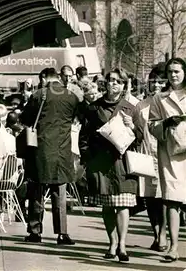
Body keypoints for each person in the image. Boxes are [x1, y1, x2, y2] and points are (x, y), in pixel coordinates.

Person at [79, 68, 137, 262]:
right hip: (102, 162)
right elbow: (84, 136)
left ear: (124, 85)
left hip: (122, 162)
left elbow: (140, 139)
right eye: (111, 80)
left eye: (118, 81)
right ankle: (111, 242)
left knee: (123, 205)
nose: (114, 84)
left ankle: (122, 245)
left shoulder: (130, 107)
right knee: (107, 205)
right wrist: (87, 157)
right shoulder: (94, 107)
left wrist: (132, 127)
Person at [20, 67, 79, 245]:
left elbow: (26, 119)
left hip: (41, 149)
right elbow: (77, 118)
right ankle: (62, 233)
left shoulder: (39, 95)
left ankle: (35, 231)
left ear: (44, 77)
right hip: (62, 149)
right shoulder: (71, 96)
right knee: (59, 192)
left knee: (37, 191)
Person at [148, 58, 186, 262]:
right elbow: (152, 126)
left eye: (177, 71)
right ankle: (173, 247)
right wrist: (166, 123)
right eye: (170, 72)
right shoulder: (159, 98)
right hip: (171, 153)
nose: (173, 75)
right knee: (172, 200)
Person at [132, 63, 168, 252]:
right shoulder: (141, 106)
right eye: (153, 82)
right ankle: (156, 233)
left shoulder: (172, 103)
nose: (156, 86)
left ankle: (163, 234)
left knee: (164, 197)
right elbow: (138, 133)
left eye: (161, 82)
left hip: (166, 155)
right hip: (146, 156)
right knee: (150, 198)